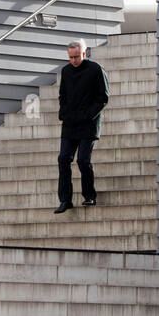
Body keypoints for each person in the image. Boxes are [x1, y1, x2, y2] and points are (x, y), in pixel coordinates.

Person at [54, 38, 109, 214]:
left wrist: (88, 115)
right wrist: (63, 113)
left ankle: (89, 195)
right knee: (63, 159)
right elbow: (62, 95)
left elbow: (103, 97)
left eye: (76, 56)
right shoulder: (66, 71)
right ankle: (65, 200)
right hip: (70, 124)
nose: (73, 60)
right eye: (70, 57)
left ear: (84, 54)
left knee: (83, 160)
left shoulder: (95, 69)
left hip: (88, 124)